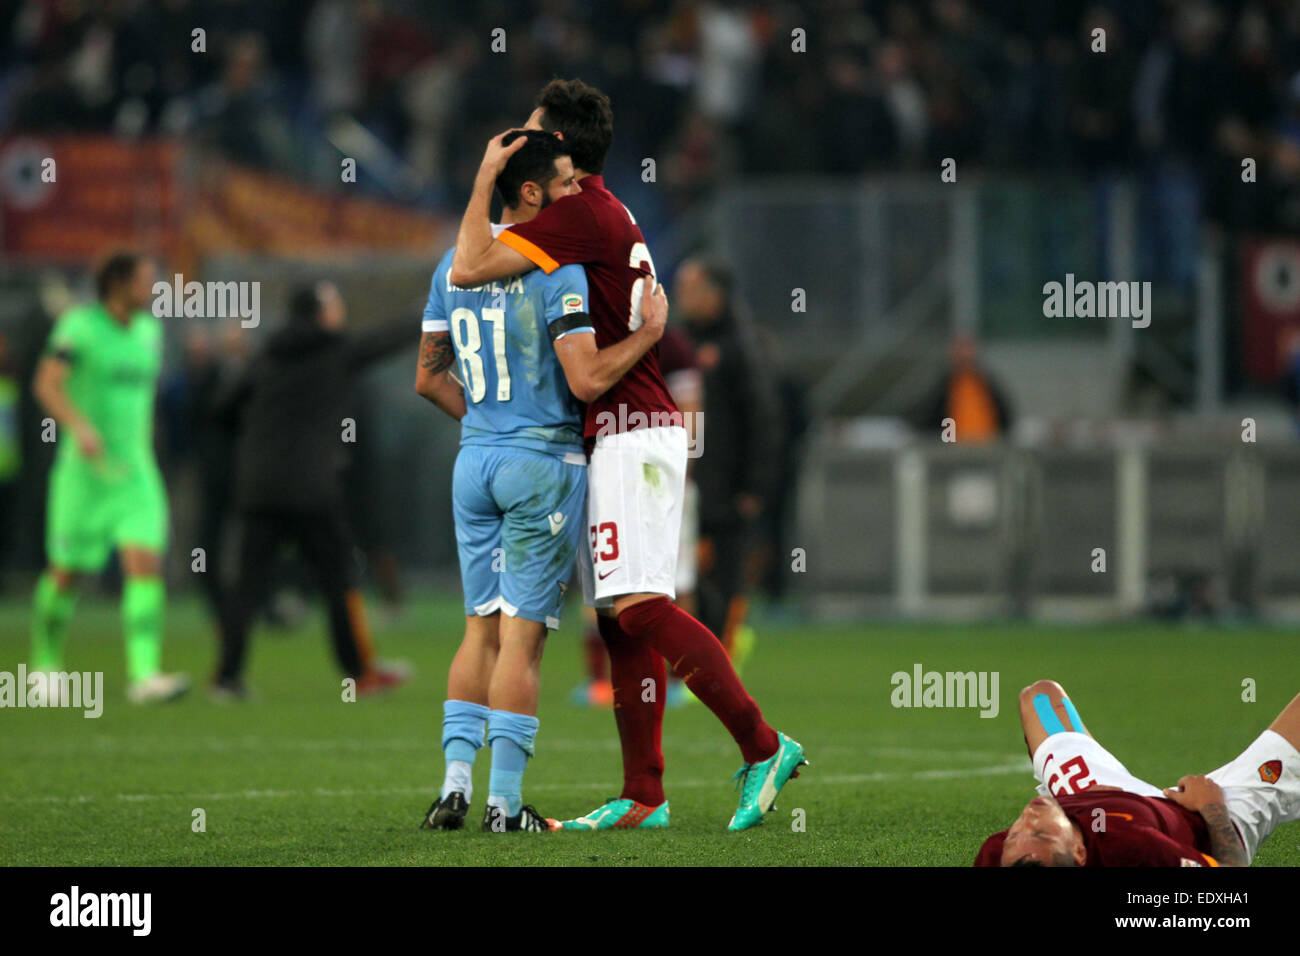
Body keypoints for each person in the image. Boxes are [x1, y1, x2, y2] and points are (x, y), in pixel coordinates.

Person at [449, 78, 805, 831]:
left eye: (531, 133)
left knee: (643, 605)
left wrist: (486, 172)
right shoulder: (602, 209)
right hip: (619, 429)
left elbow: (469, 267)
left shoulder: (576, 214)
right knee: (617, 619)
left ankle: (763, 744)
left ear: (561, 149)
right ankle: (645, 793)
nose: (521, 141)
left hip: (633, 428)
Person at [418, 129, 668, 833]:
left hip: (475, 461)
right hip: (542, 464)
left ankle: (454, 789)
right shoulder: (557, 267)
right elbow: (586, 376)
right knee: (522, 640)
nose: (575, 193)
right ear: (531, 192)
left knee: (478, 632)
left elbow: (427, 378)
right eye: (563, 183)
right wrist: (648, 335)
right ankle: (503, 805)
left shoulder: (451, 265)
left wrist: (488, 424)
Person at [212, 281, 409, 698]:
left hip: (260, 486)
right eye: (335, 303)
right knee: (339, 583)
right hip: (313, 489)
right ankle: (359, 672)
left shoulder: (266, 355)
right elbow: (387, 340)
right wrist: (436, 306)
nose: (340, 310)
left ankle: (226, 679)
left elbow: (224, 407)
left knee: (247, 586)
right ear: (320, 312)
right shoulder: (336, 352)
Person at [29, 251, 188, 703]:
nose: (152, 290)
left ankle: (144, 674)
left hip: (135, 471)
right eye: (144, 281)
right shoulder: (78, 327)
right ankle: (44, 664)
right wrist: (78, 426)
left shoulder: (149, 332)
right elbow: (46, 383)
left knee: (144, 563)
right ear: (118, 284)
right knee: (67, 573)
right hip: (85, 474)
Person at [974, 679, 1300, 866]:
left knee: (1041, 697)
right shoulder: (1136, 851)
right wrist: (1213, 807)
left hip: (1087, 797)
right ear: (1079, 851)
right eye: (1041, 833)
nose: (1027, 820)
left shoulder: (1002, 856)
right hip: (1202, 815)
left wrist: (1044, 829)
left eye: (1016, 835)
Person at [674, 255, 779, 667]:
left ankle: (725, 656)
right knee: (688, 573)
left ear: (715, 295)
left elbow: (763, 416)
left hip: (728, 484)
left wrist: (755, 485)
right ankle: (699, 657)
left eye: (690, 288)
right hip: (689, 481)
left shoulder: (740, 344)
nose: (682, 296)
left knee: (728, 573)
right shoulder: (682, 342)